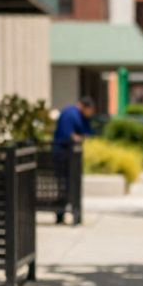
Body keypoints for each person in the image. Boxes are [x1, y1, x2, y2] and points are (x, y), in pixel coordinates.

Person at [51, 96, 96, 224]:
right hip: (62, 155)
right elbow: (69, 135)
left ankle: (66, 212)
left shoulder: (81, 116)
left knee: (69, 186)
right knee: (64, 186)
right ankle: (61, 213)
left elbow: (86, 133)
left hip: (70, 157)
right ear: (84, 106)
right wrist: (78, 138)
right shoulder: (70, 114)